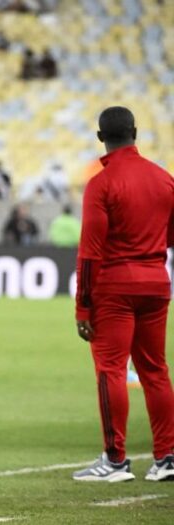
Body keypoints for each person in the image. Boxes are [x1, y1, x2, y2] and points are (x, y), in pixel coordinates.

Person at [72, 106, 174, 482]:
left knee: (111, 371)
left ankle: (114, 461)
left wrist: (83, 306)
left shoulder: (102, 183)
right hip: (156, 283)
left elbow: (89, 252)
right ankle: (167, 458)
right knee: (156, 371)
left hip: (114, 288)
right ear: (135, 131)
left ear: (101, 138)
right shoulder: (164, 178)